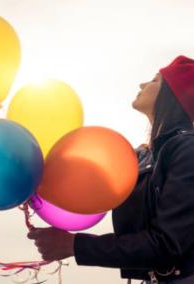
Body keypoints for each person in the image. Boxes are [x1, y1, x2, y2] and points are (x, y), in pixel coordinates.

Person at [27, 55, 194, 284]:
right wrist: (35, 183)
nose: (142, 85)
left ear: (172, 96)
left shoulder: (187, 150)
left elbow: (167, 245)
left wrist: (75, 245)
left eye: (155, 81)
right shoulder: (142, 156)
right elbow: (88, 183)